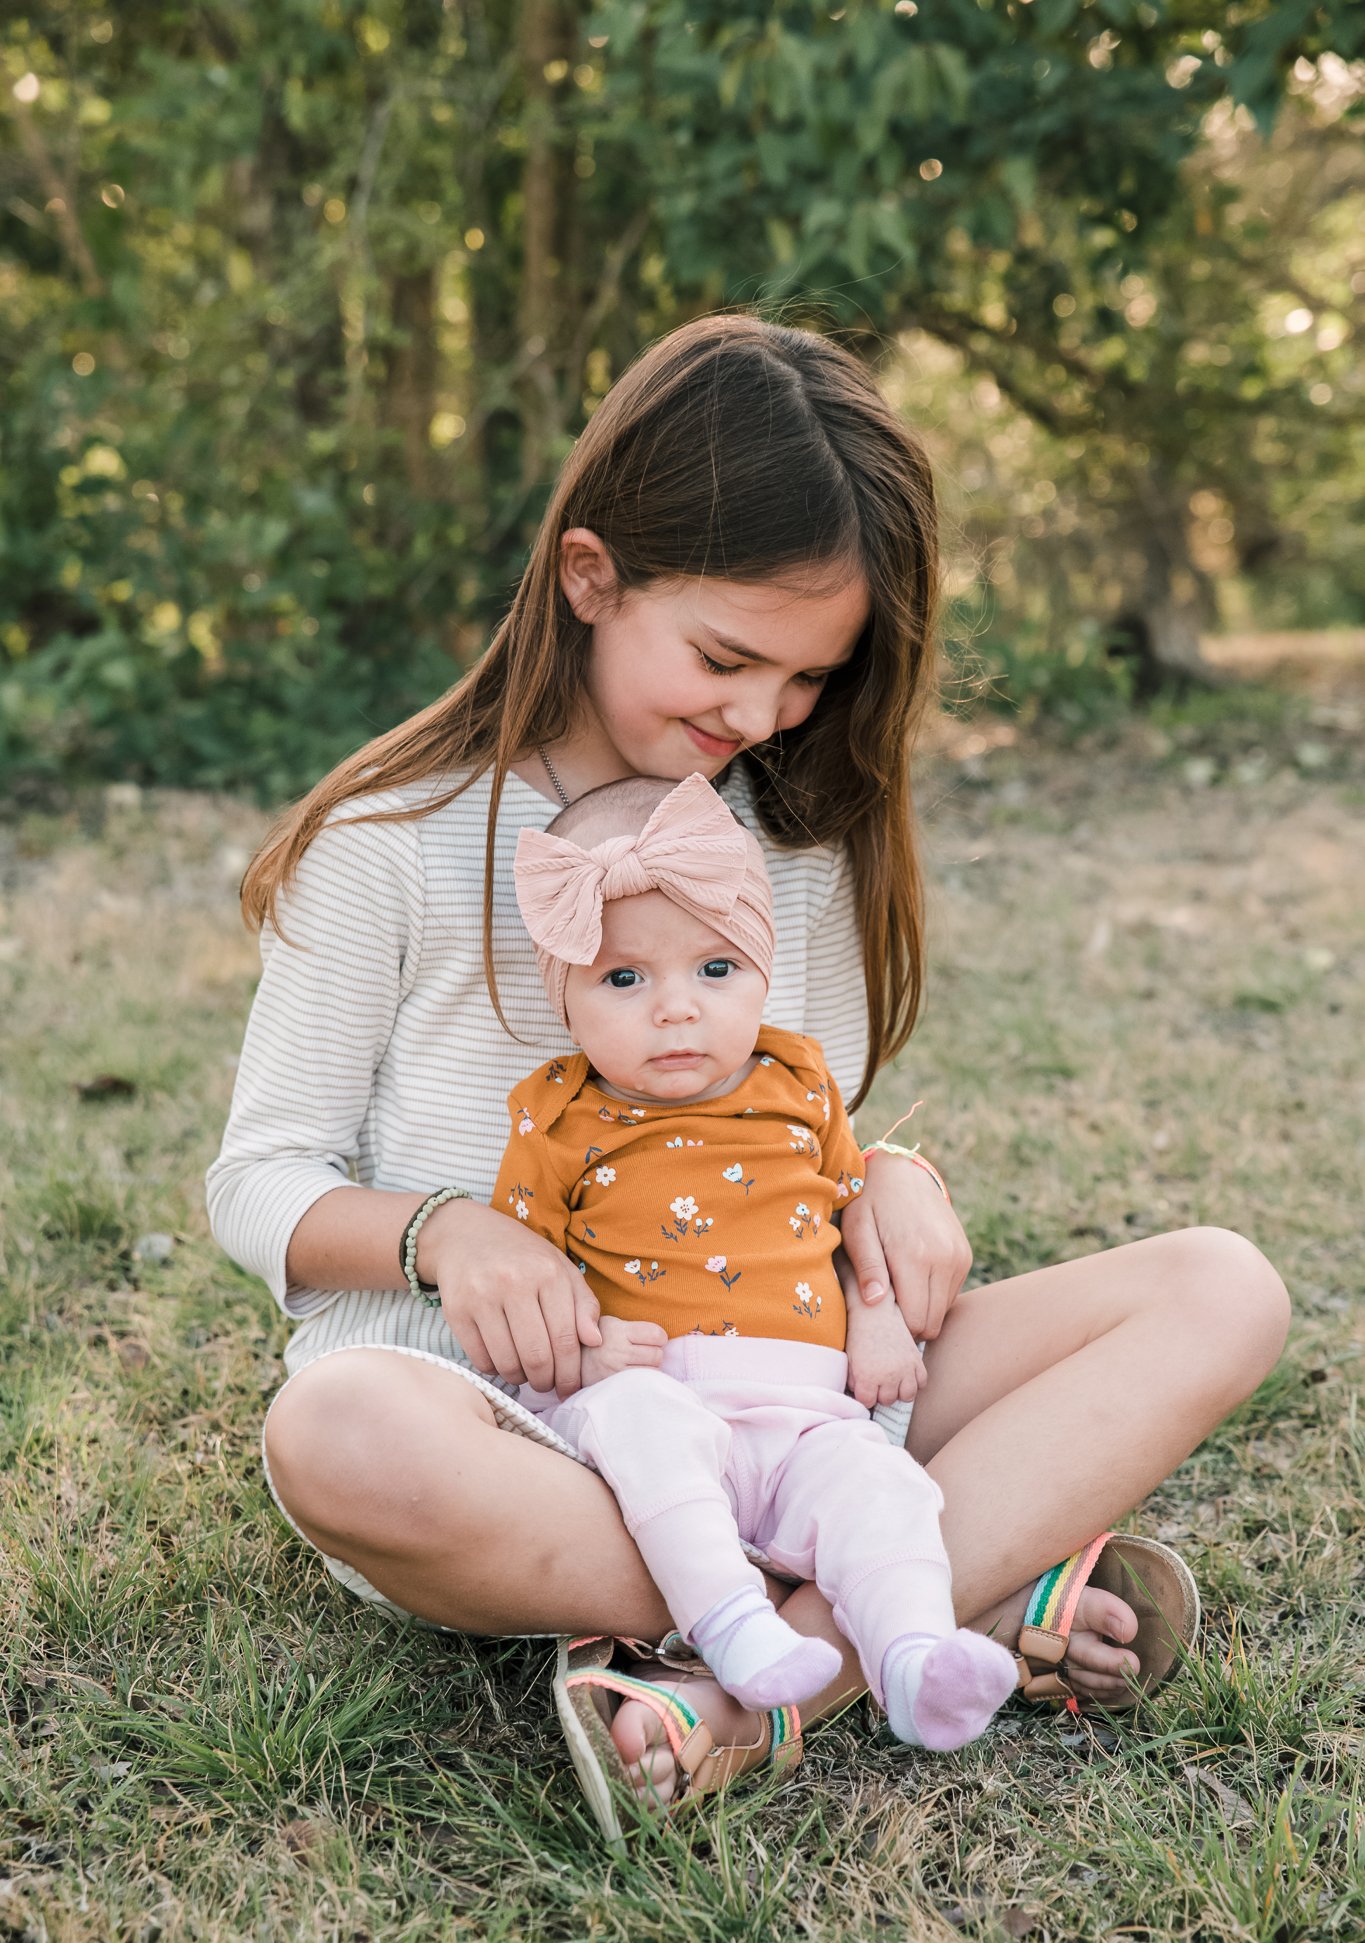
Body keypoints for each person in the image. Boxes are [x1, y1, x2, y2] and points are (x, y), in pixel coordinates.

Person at [208, 313, 1290, 1822]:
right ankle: (942, 1593)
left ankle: (748, 1692)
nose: (758, 719)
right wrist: (440, 1232)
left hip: (790, 1389)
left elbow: (790, 1127)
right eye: (726, 659)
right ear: (592, 576)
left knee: (1221, 1285)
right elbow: (260, 1180)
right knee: (334, 1438)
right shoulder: (388, 846)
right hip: (521, 1422)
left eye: (803, 680)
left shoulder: (790, 837)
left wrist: (891, 1177)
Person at [494, 770, 1019, 1770]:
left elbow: (846, 1207)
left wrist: (879, 1318)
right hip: (655, 1389)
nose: (677, 1011)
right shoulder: (555, 1114)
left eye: (715, 968)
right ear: (565, 999)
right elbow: (523, 1269)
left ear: (764, 970)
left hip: (810, 1408)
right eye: (624, 979)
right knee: (646, 1435)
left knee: (883, 1488)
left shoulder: (800, 1077)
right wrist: (588, 1346)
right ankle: (733, 1624)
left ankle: (914, 1655)